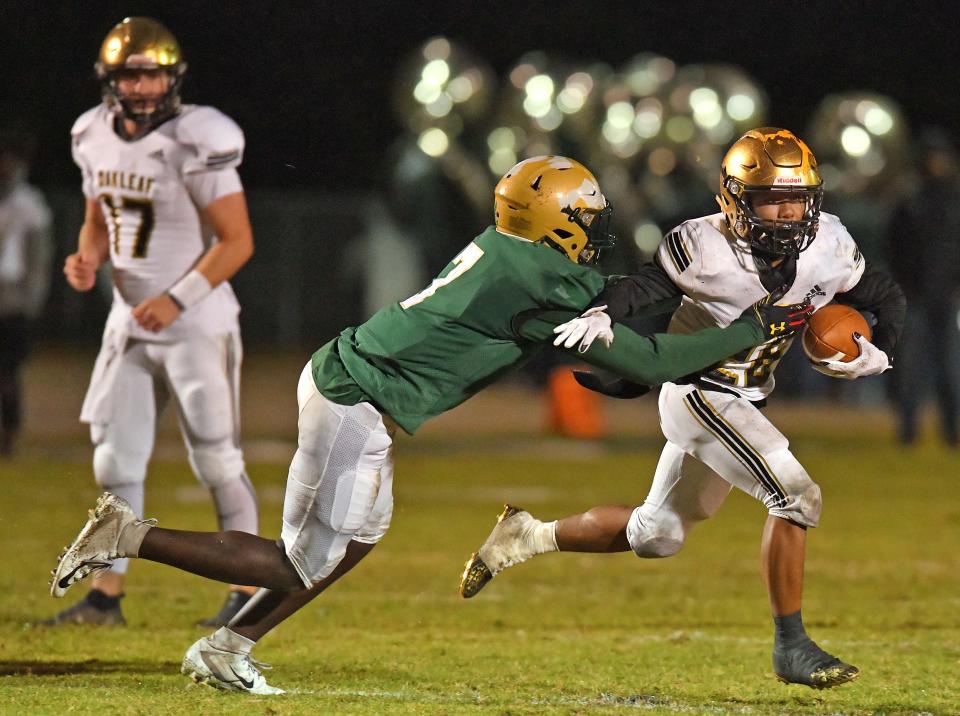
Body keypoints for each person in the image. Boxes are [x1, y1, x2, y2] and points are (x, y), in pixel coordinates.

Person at [48, 155, 812, 695]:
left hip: (358, 386)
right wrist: (750, 327)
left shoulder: (516, 257)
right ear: (555, 222)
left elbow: (611, 304)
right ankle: (126, 535)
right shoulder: (541, 279)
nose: (596, 225)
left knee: (359, 538)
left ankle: (227, 645)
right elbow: (647, 365)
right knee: (300, 560)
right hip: (357, 398)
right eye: (584, 217)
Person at [460, 129, 906, 690]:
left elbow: (884, 296)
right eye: (773, 198)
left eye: (799, 198)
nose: (789, 213)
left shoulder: (829, 245)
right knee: (797, 496)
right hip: (700, 394)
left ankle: (525, 536)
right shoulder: (704, 246)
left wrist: (880, 353)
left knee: (657, 534)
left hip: (744, 398)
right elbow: (642, 288)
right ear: (734, 199)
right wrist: (604, 314)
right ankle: (791, 645)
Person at [45, 17, 259, 628]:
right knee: (114, 461)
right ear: (111, 79)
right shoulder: (92, 133)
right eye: (131, 74)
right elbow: (99, 216)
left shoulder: (197, 137)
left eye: (153, 74)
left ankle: (245, 593)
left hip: (197, 324)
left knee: (217, 459)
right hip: (130, 323)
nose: (142, 87)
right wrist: (89, 256)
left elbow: (237, 240)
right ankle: (106, 596)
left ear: (173, 78)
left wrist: (178, 297)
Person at [886, 127, 960, 447]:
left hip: (948, 295)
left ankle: (951, 430)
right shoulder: (909, 201)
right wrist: (904, 285)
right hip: (914, 295)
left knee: (950, 365)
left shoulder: (955, 200)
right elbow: (895, 247)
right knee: (911, 366)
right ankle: (908, 429)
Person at [0, 128, 53, 457]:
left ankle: (8, 435)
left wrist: (31, 301)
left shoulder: (30, 205)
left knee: (7, 373)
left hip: (12, 301)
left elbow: (38, 258)